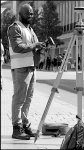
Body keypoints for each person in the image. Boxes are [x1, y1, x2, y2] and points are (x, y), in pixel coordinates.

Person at [7, 4, 45, 140]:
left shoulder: (29, 29)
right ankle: (16, 128)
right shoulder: (15, 28)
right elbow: (17, 47)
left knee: (28, 99)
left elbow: (33, 45)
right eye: (28, 13)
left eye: (32, 13)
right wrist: (35, 45)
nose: (30, 15)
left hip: (31, 67)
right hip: (21, 68)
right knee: (19, 99)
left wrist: (41, 46)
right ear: (20, 14)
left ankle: (25, 124)